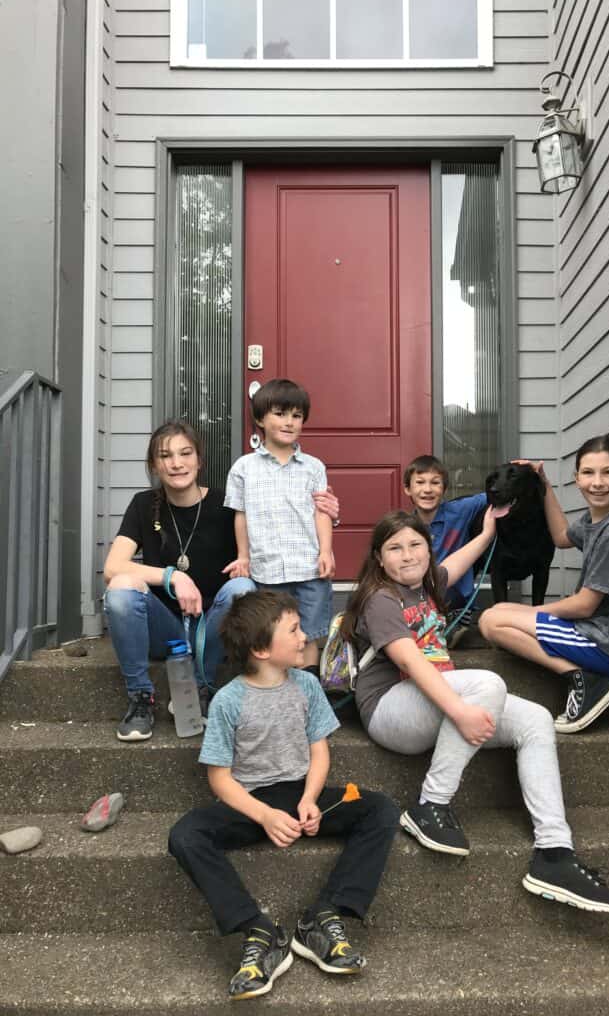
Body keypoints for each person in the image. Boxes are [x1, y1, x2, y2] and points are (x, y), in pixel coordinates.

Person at [341, 509, 609, 914]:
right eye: (394, 548)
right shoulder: (381, 599)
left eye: (415, 545)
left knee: (535, 720)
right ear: (379, 559)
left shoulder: (430, 583)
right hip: (392, 709)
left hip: (435, 702)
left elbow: (459, 559)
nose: (407, 556)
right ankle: (430, 805)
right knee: (488, 684)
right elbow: (411, 662)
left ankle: (554, 853)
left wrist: (489, 529)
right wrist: (460, 711)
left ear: (428, 550)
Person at [168, 590, 400, 1001]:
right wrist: (263, 816)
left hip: (302, 797)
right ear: (260, 648)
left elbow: (319, 751)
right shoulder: (228, 701)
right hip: (251, 803)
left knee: (380, 810)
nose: (302, 636)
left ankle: (324, 916)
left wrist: (311, 799)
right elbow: (220, 778)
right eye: (292, 630)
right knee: (186, 834)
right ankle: (258, 929)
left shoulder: (307, 686)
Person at [103, 420, 338, 742]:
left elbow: (282, 524)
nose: (176, 463)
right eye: (165, 456)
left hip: (217, 630)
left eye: (185, 453)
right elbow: (113, 566)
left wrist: (325, 512)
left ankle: (202, 684)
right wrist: (173, 576)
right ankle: (141, 698)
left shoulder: (226, 505)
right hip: (166, 632)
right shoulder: (145, 505)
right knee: (120, 591)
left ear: (199, 460)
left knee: (241, 588)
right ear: (154, 465)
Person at [479, 435, 609, 734]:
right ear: (576, 479)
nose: (597, 482)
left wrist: (533, 613)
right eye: (588, 473)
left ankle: (583, 677)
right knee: (501, 610)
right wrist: (543, 483)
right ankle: (584, 673)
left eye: (608, 472)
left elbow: (584, 605)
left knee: (492, 621)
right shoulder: (600, 518)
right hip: (605, 637)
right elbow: (560, 536)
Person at [225, 379, 333, 671]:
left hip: (309, 569)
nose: (289, 422)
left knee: (307, 635)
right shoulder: (244, 468)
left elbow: (322, 512)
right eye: (280, 414)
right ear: (260, 418)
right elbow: (241, 515)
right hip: (267, 571)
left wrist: (326, 552)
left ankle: (309, 690)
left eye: (296, 416)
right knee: (272, 634)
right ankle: (276, 689)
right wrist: (244, 556)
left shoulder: (313, 467)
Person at [403, 454, 487, 643]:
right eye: (420, 482)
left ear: (444, 489)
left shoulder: (460, 510)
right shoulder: (405, 527)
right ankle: (431, 623)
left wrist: (526, 471)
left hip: (455, 597)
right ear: (407, 489)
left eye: (435, 483)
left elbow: (493, 495)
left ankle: (454, 620)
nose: (427, 489)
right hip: (421, 597)